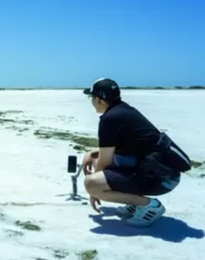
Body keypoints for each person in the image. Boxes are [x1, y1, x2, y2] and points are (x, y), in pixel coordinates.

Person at [81, 78, 192, 227]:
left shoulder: (110, 119)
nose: (91, 101)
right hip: (162, 173)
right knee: (96, 160)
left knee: (92, 183)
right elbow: (113, 149)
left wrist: (94, 191)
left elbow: (105, 161)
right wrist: (91, 154)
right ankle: (132, 201)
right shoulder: (123, 110)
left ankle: (149, 205)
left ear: (99, 99)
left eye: (91, 97)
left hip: (160, 179)